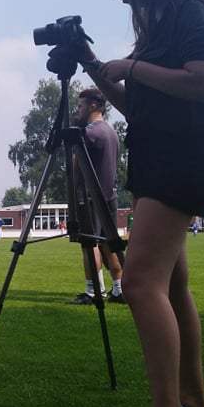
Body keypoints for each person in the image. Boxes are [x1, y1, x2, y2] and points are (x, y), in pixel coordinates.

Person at [78, 0, 204, 407]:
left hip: (182, 156)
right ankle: (192, 406)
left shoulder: (191, 8)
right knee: (172, 284)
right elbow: (138, 108)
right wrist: (99, 67)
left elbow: (203, 82)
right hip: (161, 152)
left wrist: (132, 66)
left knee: (139, 283)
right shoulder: (161, 22)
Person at [65, 88, 125, 306]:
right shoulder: (111, 132)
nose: (77, 111)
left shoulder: (88, 134)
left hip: (89, 197)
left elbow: (74, 166)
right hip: (109, 195)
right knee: (110, 243)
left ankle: (93, 291)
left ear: (92, 106)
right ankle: (119, 289)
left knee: (89, 244)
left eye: (80, 106)